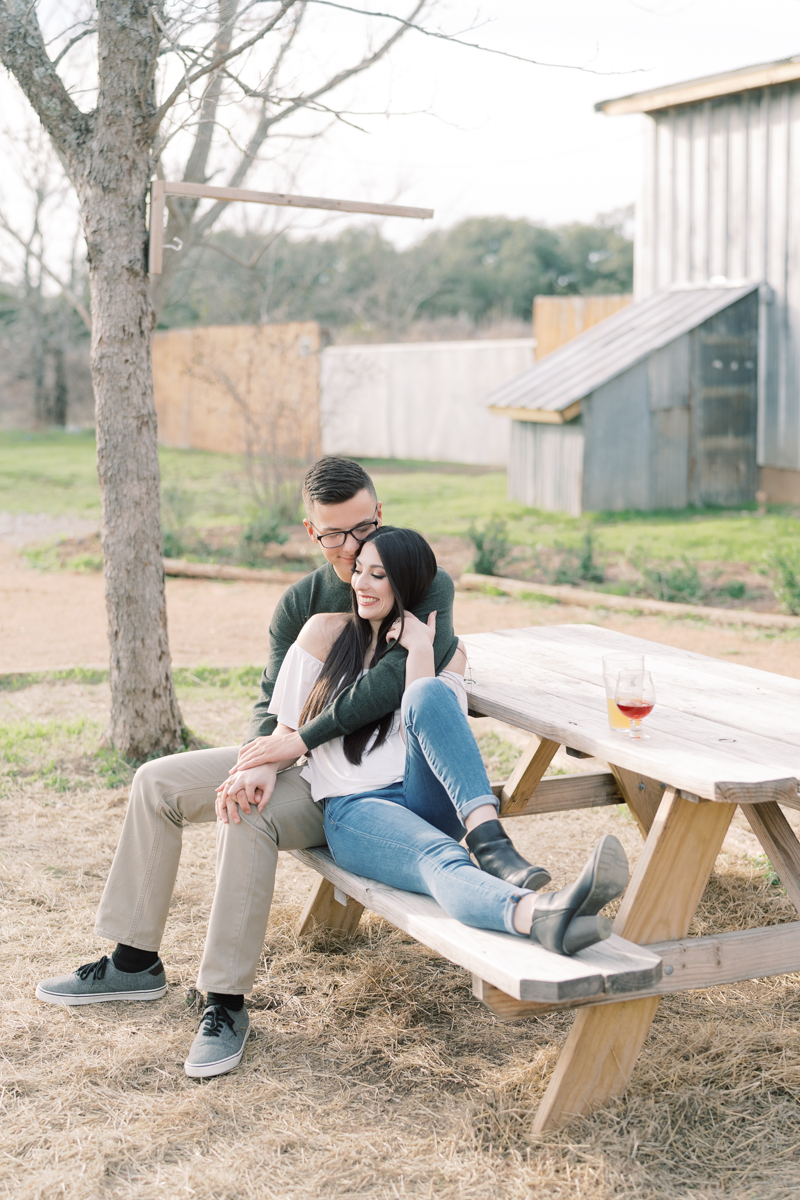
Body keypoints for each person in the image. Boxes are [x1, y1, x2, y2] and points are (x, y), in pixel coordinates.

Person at [34, 456, 549, 1079]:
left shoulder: (419, 577)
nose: (352, 548)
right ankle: (133, 962)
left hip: (353, 781)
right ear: (313, 532)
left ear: (379, 515)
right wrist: (259, 759)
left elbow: (396, 687)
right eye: (335, 536)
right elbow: (272, 697)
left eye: (362, 529)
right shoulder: (301, 605)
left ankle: (224, 1001)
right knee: (156, 782)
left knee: (247, 818)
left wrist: (293, 746)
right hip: (300, 758)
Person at [220, 526, 629, 1069]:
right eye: (359, 570)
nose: (362, 583)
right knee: (439, 857)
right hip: (357, 811)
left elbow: (432, 724)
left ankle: (492, 841)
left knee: (432, 689)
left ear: (406, 586)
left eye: (378, 575)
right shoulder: (323, 634)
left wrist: (419, 651)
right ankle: (540, 913)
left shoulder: (429, 646)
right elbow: (285, 729)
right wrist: (266, 766)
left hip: (419, 792)